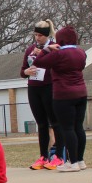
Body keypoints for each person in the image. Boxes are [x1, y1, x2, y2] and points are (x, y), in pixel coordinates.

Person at [33, 25, 87, 172]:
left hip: (63, 94)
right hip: (81, 92)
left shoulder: (59, 54)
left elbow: (38, 62)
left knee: (67, 128)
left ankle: (72, 162)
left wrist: (46, 49)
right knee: (78, 127)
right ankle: (80, 160)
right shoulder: (81, 52)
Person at [21, 19, 62, 170]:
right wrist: (26, 72)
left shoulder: (54, 47)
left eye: (40, 35)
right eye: (35, 35)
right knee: (42, 124)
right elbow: (22, 71)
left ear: (47, 35)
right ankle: (43, 156)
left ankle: (59, 156)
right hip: (34, 88)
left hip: (49, 87)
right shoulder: (30, 49)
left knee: (55, 122)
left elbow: (58, 66)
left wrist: (44, 54)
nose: (37, 38)